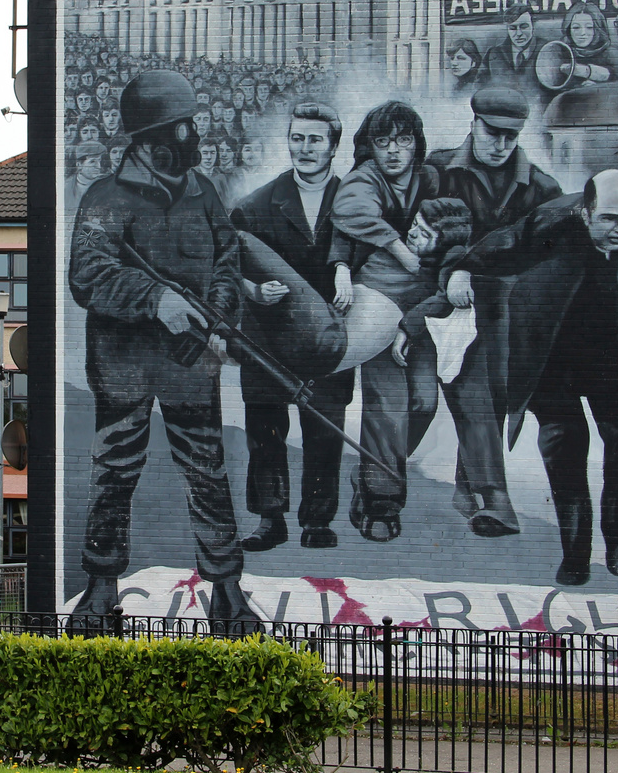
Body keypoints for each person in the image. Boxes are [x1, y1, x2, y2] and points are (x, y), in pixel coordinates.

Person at [66, 69, 258, 627]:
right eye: (184, 126)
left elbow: (227, 258)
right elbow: (89, 274)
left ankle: (226, 590)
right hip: (124, 368)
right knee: (113, 474)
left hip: (191, 365)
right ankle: (101, 589)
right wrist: (156, 299)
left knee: (208, 473)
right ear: (154, 137)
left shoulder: (204, 193)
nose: (194, 135)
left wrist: (221, 318)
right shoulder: (105, 197)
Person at [454, 170, 618, 586]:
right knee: (564, 448)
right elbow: (504, 243)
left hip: (615, 362)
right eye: (609, 218)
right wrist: (461, 271)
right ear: (585, 212)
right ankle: (575, 553)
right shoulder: (553, 223)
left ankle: (616, 533)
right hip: (551, 358)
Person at [426, 88, 563, 535]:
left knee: (497, 392)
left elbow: (549, 257)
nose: (501, 145)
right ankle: (496, 499)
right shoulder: (438, 170)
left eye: (511, 136)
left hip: (506, 311)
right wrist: (455, 268)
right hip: (443, 299)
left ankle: (469, 488)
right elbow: (421, 234)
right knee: (473, 388)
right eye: (492, 133)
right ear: (473, 123)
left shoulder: (541, 188)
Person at [229, 102, 352, 551]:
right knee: (266, 431)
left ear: (334, 146)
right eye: (297, 138)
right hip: (267, 338)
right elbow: (224, 267)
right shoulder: (254, 206)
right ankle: (270, 519)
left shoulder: (356, 202)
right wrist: (253, 292)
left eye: (316, 139)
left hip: (331, 339)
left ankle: (317, 520)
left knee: (325, 429)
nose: (305, 148)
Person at [329, 101, 440, 542]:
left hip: (424, 308)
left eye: (404, 140)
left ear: (417, 144)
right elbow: (351, 214)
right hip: (378, 299)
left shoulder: (431, 179)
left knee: (424, 404)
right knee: (386, 405)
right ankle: (381, 502)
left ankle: (378, 468)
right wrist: (399, 249)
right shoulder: (364, 179)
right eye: (383, 141)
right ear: (369, 146)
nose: (394, 151)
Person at [480, 5, 544, 102]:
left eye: (524, 27)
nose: (518, 33)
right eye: (513, 28)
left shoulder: (547, 49)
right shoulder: (493, 54)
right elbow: (478, 89)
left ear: (533, 26)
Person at [66, 141, 110, 206]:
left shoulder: (106, 184)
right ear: (79, 165)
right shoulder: (66, 187)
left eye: (99, 161)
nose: (98, 166)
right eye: (92, 162)